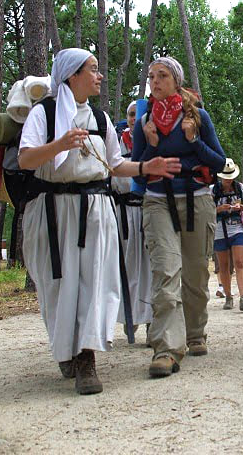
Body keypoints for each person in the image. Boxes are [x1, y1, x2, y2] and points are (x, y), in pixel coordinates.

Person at [18, 48, 179, 395]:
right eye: (92, 69)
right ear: (73, 75)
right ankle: (67, 348)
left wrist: (144, 168)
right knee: (58, 286)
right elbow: (26, 158)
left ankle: (86, 357)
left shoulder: (100, 118)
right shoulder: (43, 114)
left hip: (95, 210)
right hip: (53, 212)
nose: (99, 75)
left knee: (94, 284)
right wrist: (59, 144)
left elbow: (114, 164)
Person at [131, 56, 225, 378]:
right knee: (166, 272)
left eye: (162, 76)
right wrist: (151, 146)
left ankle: (195, 333)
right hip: (158, 201)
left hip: (197, 199)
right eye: (151, 76)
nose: (154, 81)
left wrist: (192, 141)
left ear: (176, 81)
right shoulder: (145, 121)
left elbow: (219, 162)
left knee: (196, 275)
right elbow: (139, 176)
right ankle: (167, 349)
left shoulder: (197, 116)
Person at [112, 100, 153, 340]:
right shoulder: (117, 142)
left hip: (148, 209)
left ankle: (151, 320)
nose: (132, 118)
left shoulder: (153, 140)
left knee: (150, 266)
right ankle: (130, 315)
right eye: (129, 114)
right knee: (126, 266)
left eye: (137, 114)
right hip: (124, 212)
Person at [212, 158, 243, 311]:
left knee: (240, 263)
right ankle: (228, 297)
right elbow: (206, 210)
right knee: (223, 265)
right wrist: (219, 209)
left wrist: (239, 207)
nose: (228, 181)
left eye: (230, 177)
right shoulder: (213, 189)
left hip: (237, 229)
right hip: (219, 230)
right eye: (226, 178)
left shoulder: (239, 187)